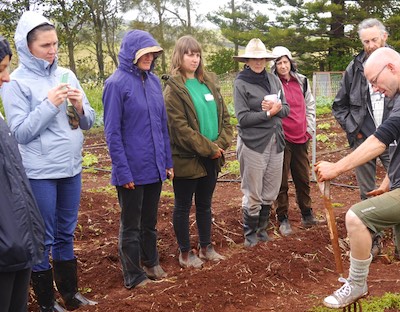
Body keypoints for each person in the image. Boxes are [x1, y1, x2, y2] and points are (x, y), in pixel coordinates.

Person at [316, 47, 400, 312]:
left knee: (356, 217)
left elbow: (381, 140)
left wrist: (337, 168)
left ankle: (357, 284)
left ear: (391, 67)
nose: (374, 87)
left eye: (375, 80)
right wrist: (388, 181)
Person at [1, 11, 97, 312]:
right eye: (45, 45)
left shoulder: (66, 74)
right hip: (40, 171)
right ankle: (45, 302)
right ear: (28, 47)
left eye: (55, 43)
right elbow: (21, 132)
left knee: (66, 233)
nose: (52, 50)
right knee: (43, 236)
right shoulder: (15, 82)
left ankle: (70, 293)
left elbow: (88, 122)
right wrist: (49, 104)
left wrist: (81, 106)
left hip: (71, 167)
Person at [332, 18, 400, 255]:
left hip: (394, 138)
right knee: (367, 193)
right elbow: (339, 105)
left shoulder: (398, 63)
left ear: (384, 37)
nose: (370, 45)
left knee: (399, 188)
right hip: (364, 139)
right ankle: (374, 240)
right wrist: (354, 130)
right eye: (366, 41)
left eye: (374, 39)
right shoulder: (354, 68)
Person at [103, 30, 173, 288]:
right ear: (131, 53)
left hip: (154, 167)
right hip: (131, 169)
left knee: (150, 222)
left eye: (152, 53)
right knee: (131, 225)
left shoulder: (154, 82)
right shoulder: (116, 84)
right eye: (144, 53)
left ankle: (151, 263)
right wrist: (123, 171)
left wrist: (167, 162)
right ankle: (133, 275)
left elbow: (162, 126)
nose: (149, 57)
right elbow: (112, 132)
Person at [0, 36, 45, 312]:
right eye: (0, 70)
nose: (7, 79)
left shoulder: (0, 123)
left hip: (17, 246)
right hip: (4, 248)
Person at [163, 36, 233, 267]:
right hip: (188, 159)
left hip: (212, 157)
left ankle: (206, 247)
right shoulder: (173, 90)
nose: (194, 59)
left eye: (197, 54)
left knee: (205, 204)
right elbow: (180, 129)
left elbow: (224, 117)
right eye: (189, 54)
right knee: (183, 206)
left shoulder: (207, 83)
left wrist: (219, 145)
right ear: (179, 57)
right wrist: (210, 148)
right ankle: (185, 253)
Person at [232, 38, 290, 247]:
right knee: (253, 191)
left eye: (262, 59)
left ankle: (262, 229)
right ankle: (250, 235)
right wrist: (267, 113)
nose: (258, 62)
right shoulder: (241, 83)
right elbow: (243, 118)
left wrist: (276, 108)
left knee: (270, 190)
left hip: (275, 141)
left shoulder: (274, 80)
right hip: (253, 143)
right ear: (247, 60)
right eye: (254, 59)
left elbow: (286, 109)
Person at [270, 46, 318, 236]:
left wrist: (309, 129)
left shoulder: (302, 81)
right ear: (274, 66)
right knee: (281, 180)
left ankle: (307, 213)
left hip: (301, 136)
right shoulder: (273, 84)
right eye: (279, 63)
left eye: (285, 62)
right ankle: (282, 218)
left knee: (302, 177)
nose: (283, 66)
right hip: (282, 138)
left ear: (291, 62)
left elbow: (310, 105)